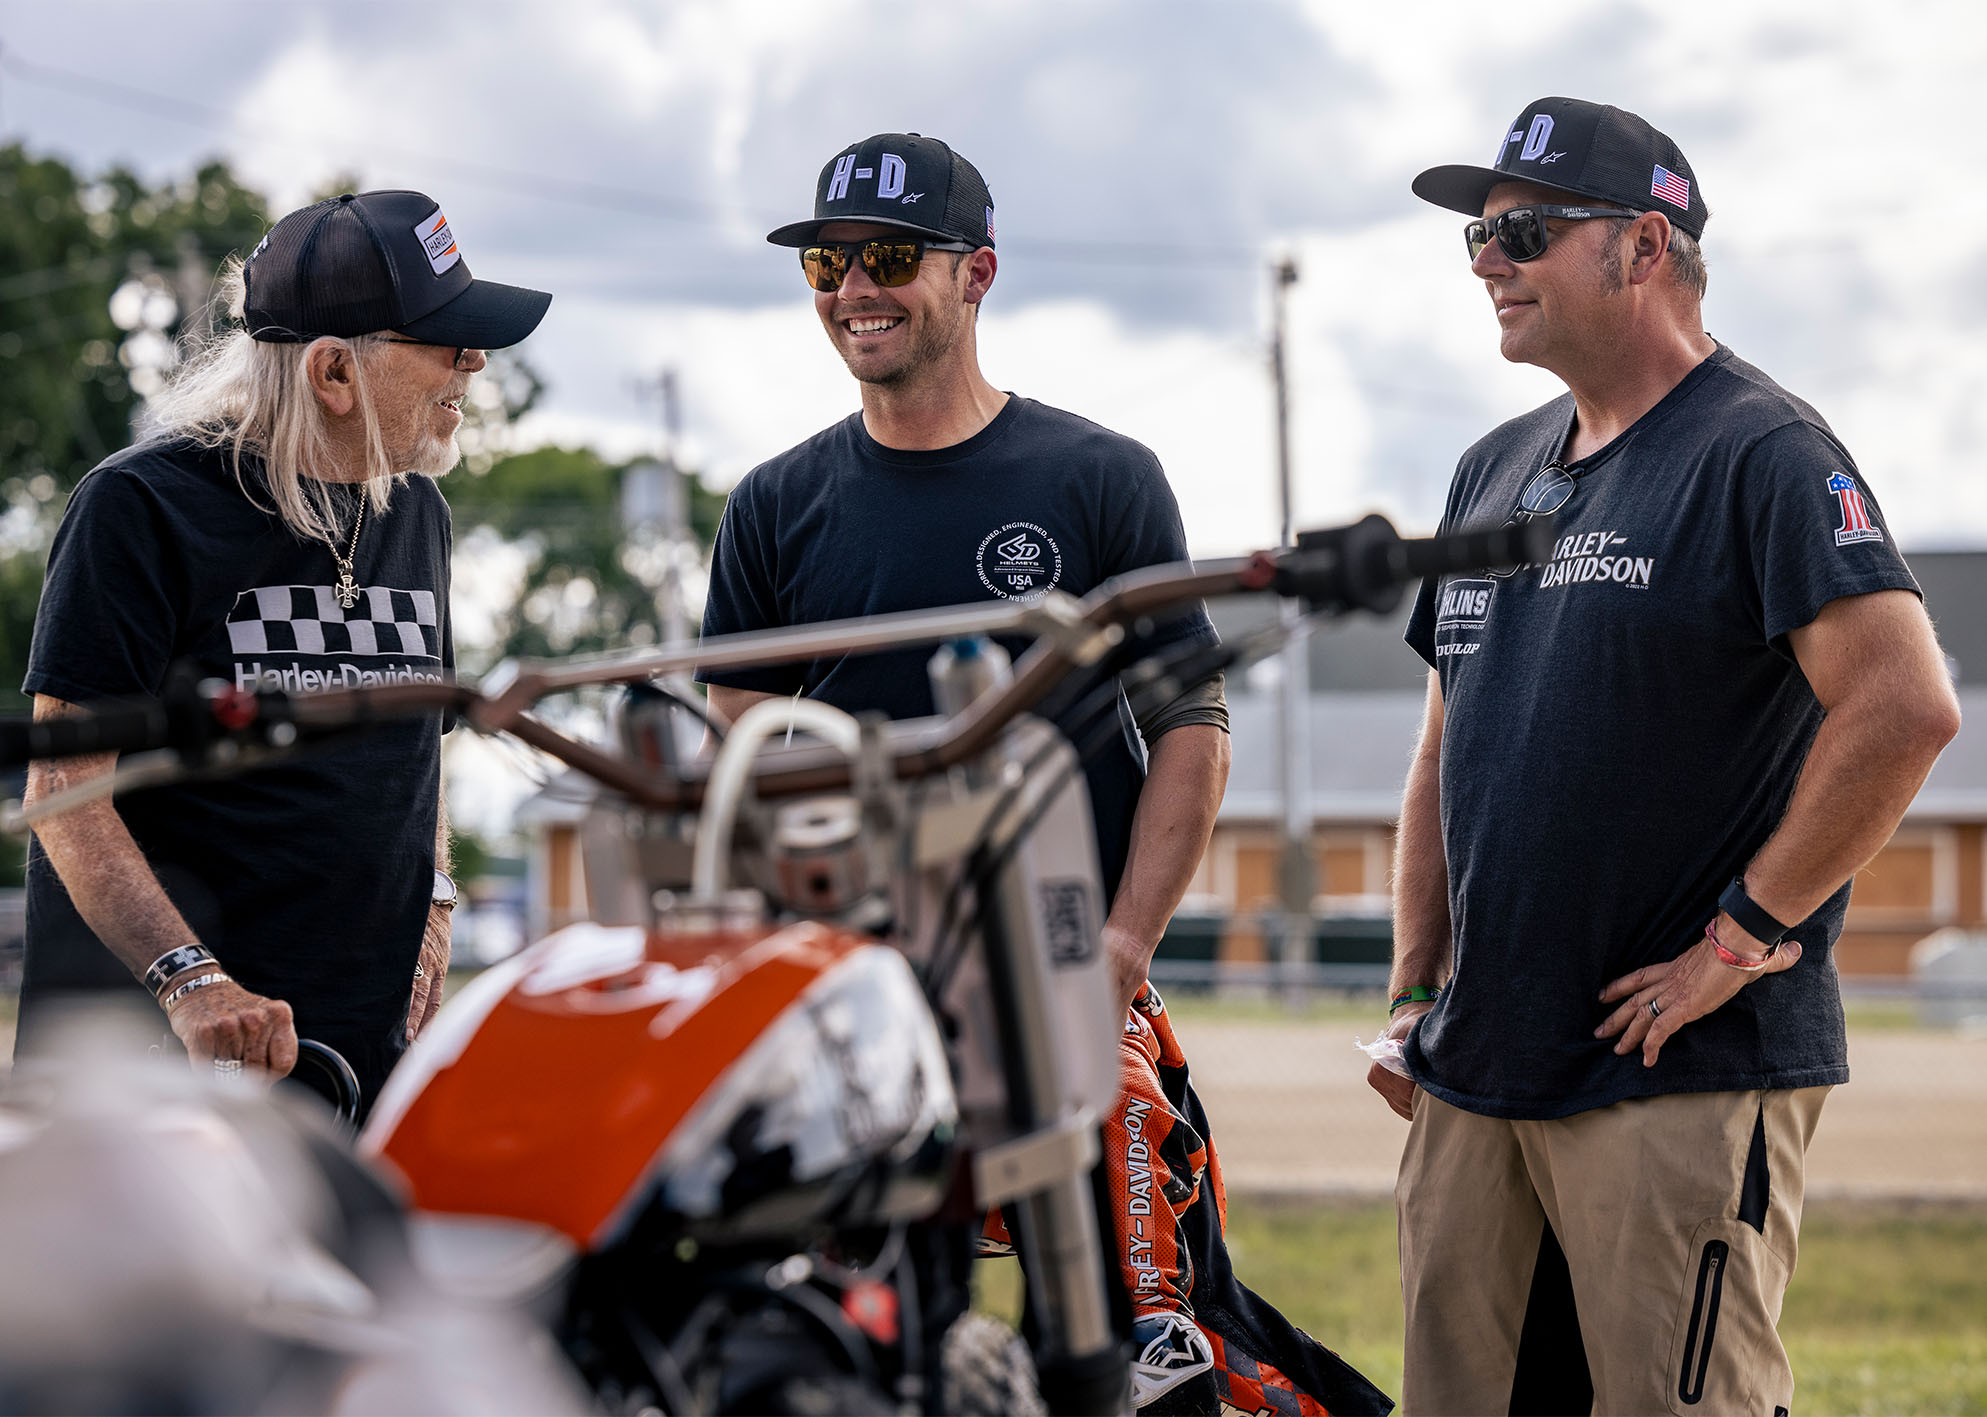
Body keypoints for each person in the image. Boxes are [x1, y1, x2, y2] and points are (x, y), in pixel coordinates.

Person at [699, 133, 1383, 1414]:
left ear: (977, 274)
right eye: (828, 265)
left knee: (1137, 1341)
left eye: (890, 258)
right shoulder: (776, 503)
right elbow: (734, 732)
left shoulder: (1094, 479)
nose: (855, 289)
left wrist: (1123, 943)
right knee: (865, 1338)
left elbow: (1190, 721)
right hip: (860, 1003)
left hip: (1057, 979)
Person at [1371, 97, 1960, 1415]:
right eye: (1475, 234)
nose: (1484, 259)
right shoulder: (1489, 470)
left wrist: (1738, 939)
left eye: (1520, 230)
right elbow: (1441, 753)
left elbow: (1901, 707)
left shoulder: (1759, 451)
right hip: (1474, 1071)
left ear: (1641, 247)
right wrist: (1412, 992)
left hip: (1670, 1077)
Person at [18, 189, 551, 1120]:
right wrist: (193, 982)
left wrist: (435, 899)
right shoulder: (139, 507)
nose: (474, 362)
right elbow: (63, 793)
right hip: (161, 1066)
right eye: (446, 340)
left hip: (354, 1050)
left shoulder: (416, 510)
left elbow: (415, 740)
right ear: (335, 371)